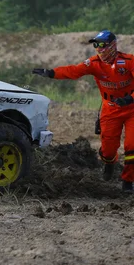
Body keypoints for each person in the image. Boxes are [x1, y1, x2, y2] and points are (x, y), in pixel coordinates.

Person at [32, 30, 134, 193]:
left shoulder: (129, 61)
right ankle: (109, 163)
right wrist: (51, 73)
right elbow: (73, 71)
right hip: (110, 109)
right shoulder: (93, 63)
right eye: (96, 45)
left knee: (132, 147)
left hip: (131, 109)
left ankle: (128, 181)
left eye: (102, 45)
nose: (99, 49)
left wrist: (130, 99)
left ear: (112, 46)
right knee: (108, 150)